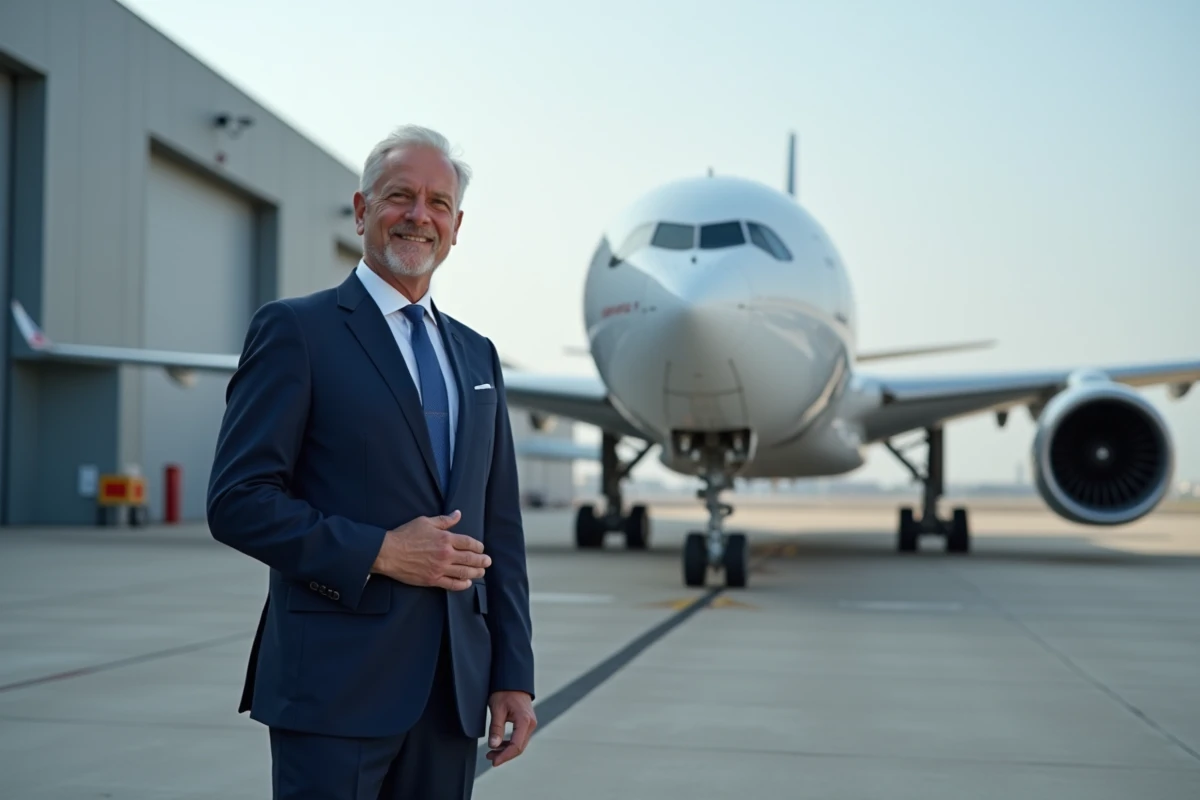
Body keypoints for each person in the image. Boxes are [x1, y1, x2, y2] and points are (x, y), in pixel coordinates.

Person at [207, 124, 536, 799]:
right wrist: (381, 552)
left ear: (457, 227)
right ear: (362, 211)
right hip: (333, 687)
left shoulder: (477, 355)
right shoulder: (297, 331)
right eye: (399, 196)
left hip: (451, 693)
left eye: (439, 203)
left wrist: (513, 673)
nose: (420, 216)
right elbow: (238, 500)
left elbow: (499, 527)